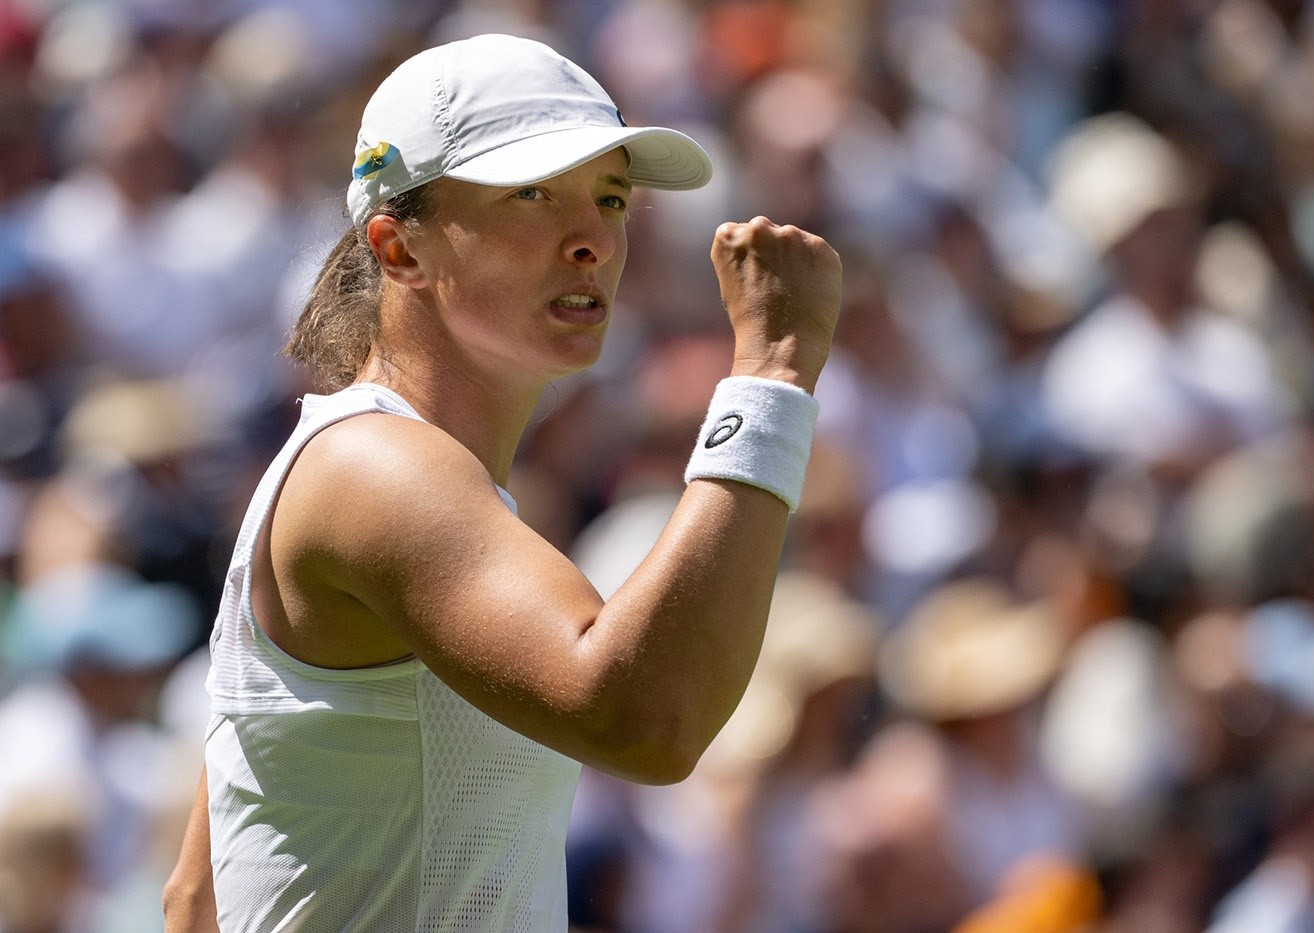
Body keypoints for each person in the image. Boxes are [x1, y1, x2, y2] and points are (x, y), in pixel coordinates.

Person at [159, 32, 841, 932]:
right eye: (532, 194)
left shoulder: (382, 469)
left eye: (610, 198)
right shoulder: (375, 467)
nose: (592, 240)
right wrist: (771, 375)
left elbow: (197, 896)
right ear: (399, 249)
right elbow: (648, 720)